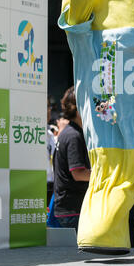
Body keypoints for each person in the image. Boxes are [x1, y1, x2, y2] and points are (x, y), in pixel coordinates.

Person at [53, 86, 91, 232]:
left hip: (70, 209)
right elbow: (78, 173)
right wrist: (105, 175)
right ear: (78, 107)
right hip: (72, 210)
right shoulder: (74, 135)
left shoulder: (70, 132)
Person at [47, 97, 56, 206]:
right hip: (38, 184)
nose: (48, 110)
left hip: (52, 185)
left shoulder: (50, 133)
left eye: (48, 106)